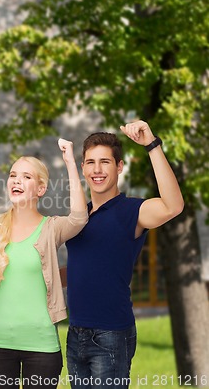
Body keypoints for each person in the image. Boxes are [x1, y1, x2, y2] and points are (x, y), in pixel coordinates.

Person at [65, 120, 184, 389]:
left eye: (105, 162)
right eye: (91, 162)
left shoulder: (132, 211)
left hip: (111, 334)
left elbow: (173, 205)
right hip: (75, 333)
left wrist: (152, 145)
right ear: (82, 167)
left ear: (119, 167)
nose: (97, 169)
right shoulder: (79, 217)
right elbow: (81, 268)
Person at [0, 139, 88, 389]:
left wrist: (71, 162)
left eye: (26, 177)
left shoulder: (51, 228)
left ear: (40, 189)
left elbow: (80, 218)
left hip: (41, 346)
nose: (17, 181)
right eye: (13, 175)